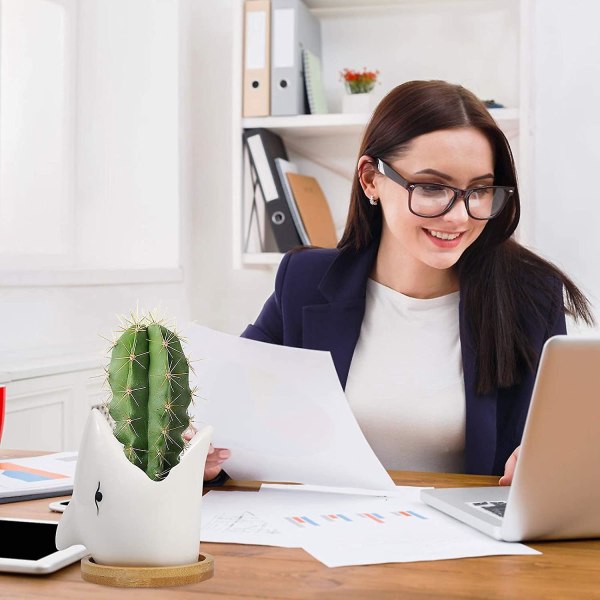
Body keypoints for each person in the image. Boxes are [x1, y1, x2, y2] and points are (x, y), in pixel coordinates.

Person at [201, 80, 593, 485]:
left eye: (479, 191)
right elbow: (227, 422)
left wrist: (547, 461)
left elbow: (551, 449)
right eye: (431, 187)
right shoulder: (304, 281)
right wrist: (204, 455)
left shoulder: (529, 296)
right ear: (371, 179)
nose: (459, 216)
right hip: (321, 532)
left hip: (464, 543)